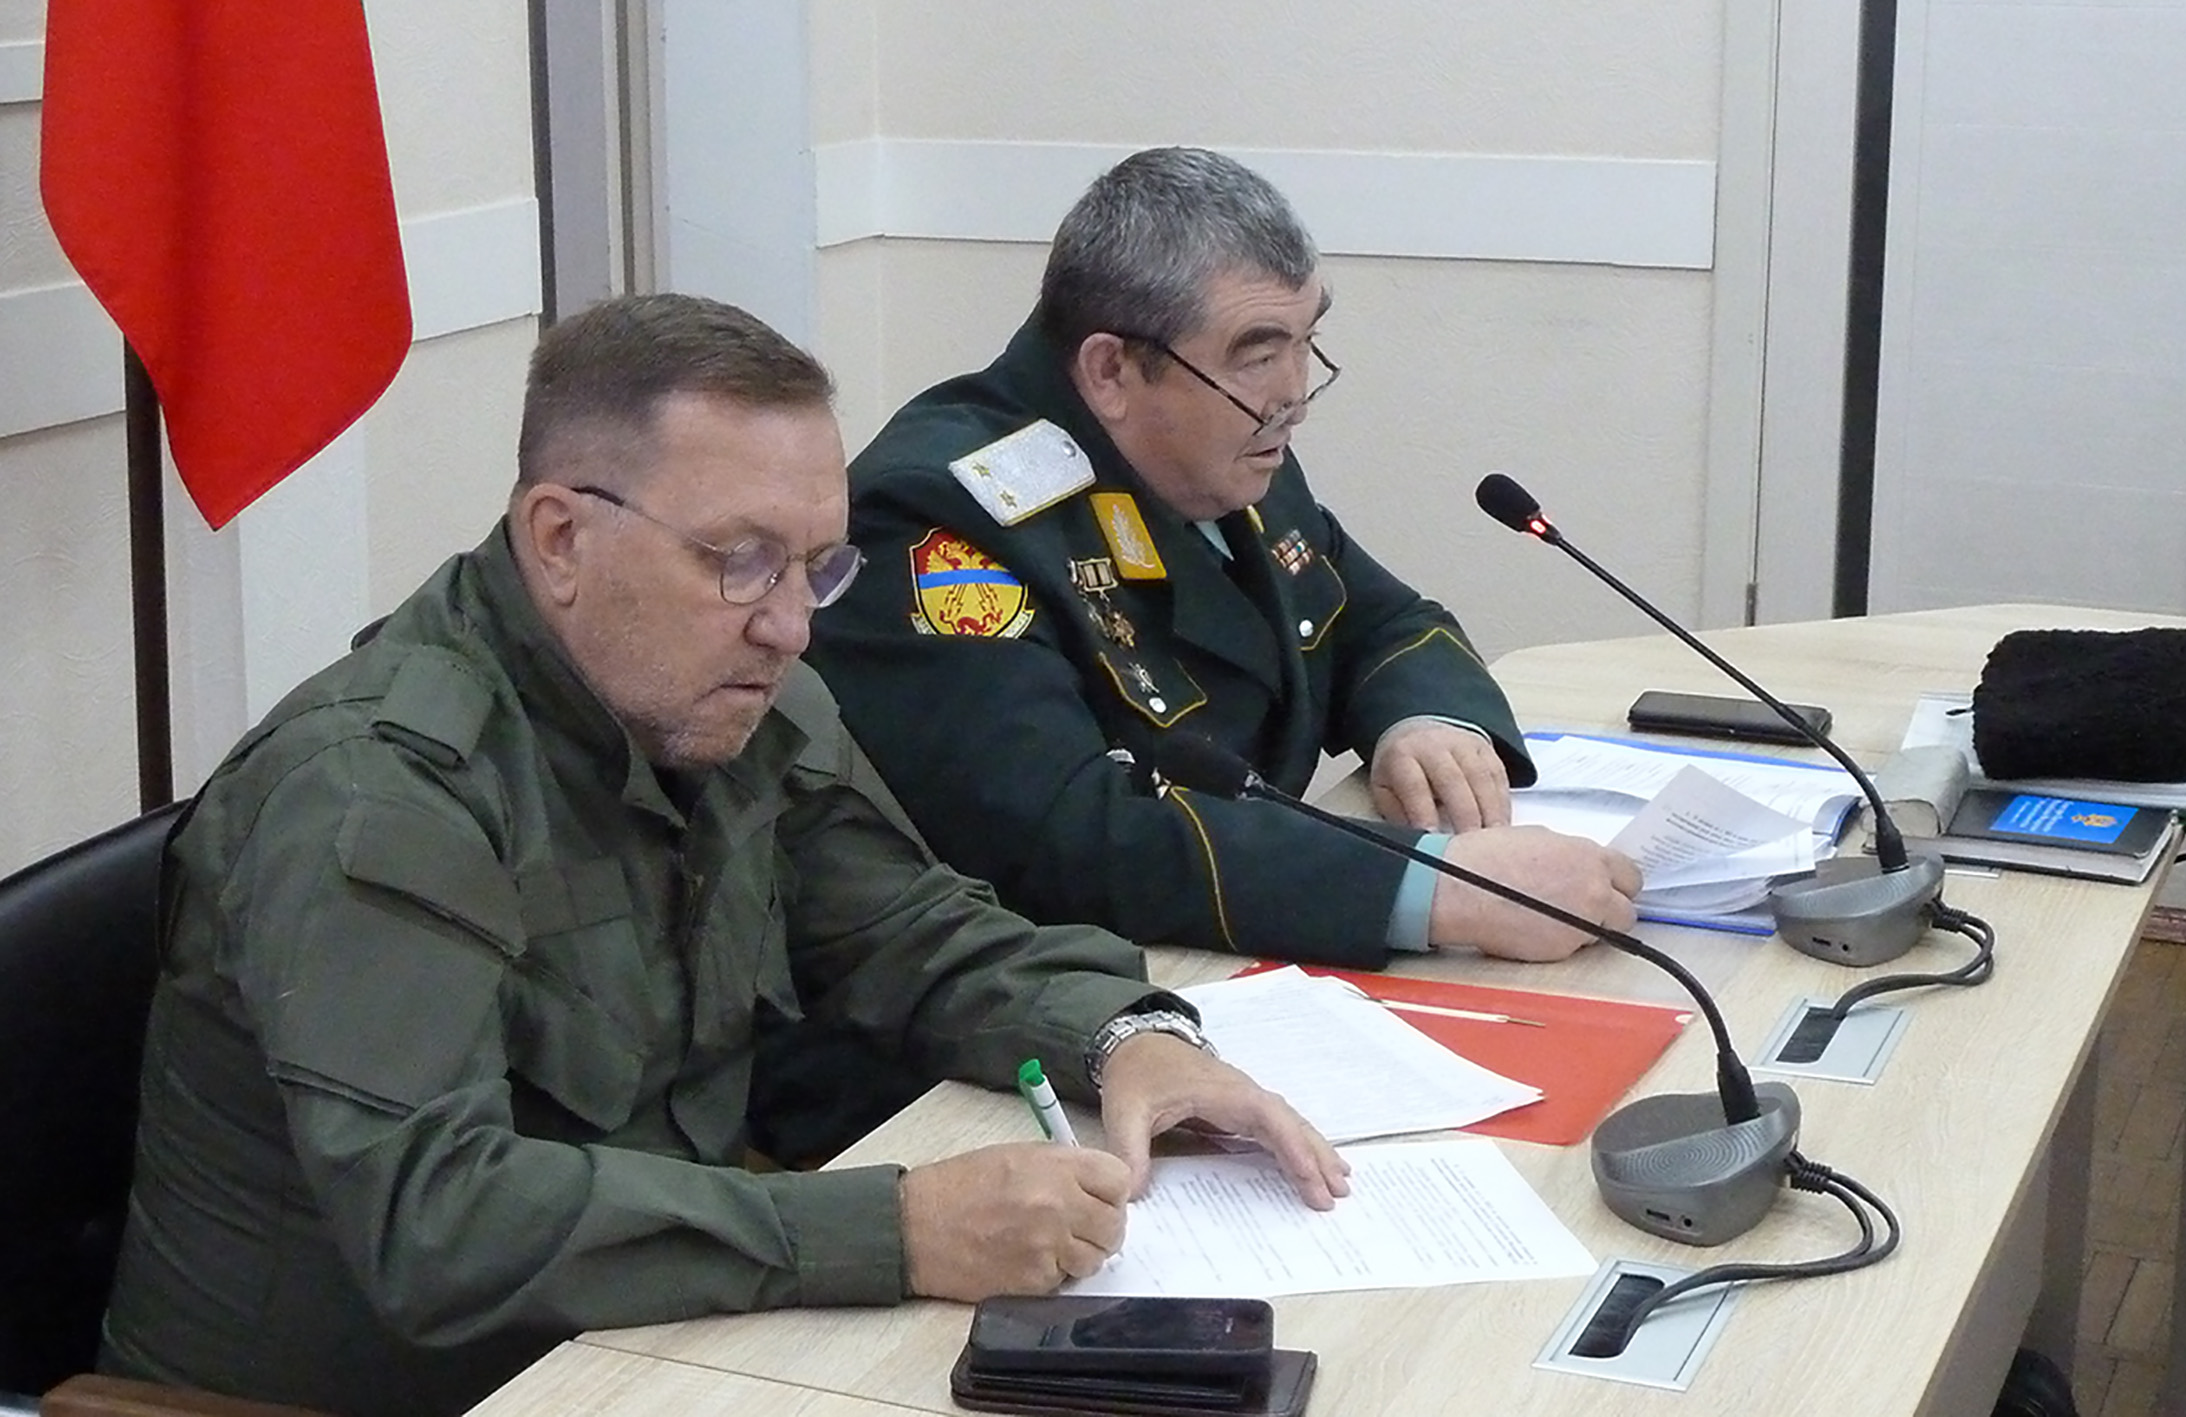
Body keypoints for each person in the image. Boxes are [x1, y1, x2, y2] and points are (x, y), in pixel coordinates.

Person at [98, 294, 1345, 1417]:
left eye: (817, 566)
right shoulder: (380, 790)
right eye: (739, 560)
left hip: (646, 1347)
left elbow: (910, 931)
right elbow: (441, 1221)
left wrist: (1127, 1038)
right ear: (559, 538)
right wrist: (898, 1227)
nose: (791, 624)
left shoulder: (723, 692)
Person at [805, 146, 1640, 975]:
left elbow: (1378, 619)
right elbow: (1068, 838)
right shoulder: (937, 516)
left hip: (1232, 962)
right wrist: (1436, 887)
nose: (1294, 397)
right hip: (1042, 999)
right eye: (1258, 354)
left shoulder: (1221, 450)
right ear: (1110, 369)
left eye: (1308, 342)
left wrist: (1425, 722)